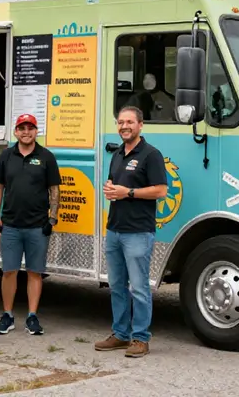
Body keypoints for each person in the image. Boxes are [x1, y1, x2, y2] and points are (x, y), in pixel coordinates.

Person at [95, 106, 168, 359]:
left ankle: (140, 338)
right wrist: (111, 188)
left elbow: (160, 190)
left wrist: (130, 193)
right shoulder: (117, 154)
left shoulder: (151, 155)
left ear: (140, 125)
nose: (124, 126)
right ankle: (120, 334)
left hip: (138, 232)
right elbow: (115, 185)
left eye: (129, 122)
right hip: (114, 229)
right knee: (116, 286)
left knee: (138, 287)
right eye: (120, 122)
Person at [0, 114, 61, 336]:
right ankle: (7, 315)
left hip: (37, 226)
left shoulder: (46, 157)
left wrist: (53, 218)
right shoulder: (6, 156)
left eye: (30, 128)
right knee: (9, 271)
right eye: (22, 128)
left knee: (34, 272)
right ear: (16, 132)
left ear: (36, 131)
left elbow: (55, 190)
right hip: (10, 225)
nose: (26, 132)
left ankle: (32, 316)